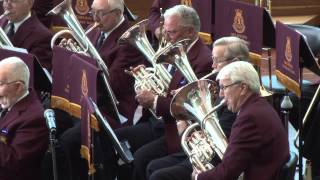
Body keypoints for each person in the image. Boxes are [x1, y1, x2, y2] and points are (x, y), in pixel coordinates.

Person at [112, 5, 212, 180]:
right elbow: (166, 82)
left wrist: (155, 101)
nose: (165, 37)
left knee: (143, 158)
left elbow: (189, 107)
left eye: (171, 32)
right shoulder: (176, 49)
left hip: (179, 129)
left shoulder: (203, 61)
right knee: (116, 139)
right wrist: (145, 74)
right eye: (165, 31)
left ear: (189, 32)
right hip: (160, 121)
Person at [58, 0, 147, 179]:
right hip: (88, 99)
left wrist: (86, 65)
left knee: (69, 140)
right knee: (53, 121)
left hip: (112, 108)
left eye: (101, 13)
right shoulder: (96, 31)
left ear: (117, 13)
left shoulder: (128, 40)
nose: (95, 18)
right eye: (93, 13)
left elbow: (115, 84)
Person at [146, 36, 250, 180]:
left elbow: (223, 137)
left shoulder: (237, 92)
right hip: (207, 152)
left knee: (158, 175)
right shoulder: (226, 85)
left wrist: (195, 131)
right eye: (212, 59)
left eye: (217, 61)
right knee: (153, 166)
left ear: (235, 63)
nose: (213, 66)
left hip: (218, 160)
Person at [193, 61, 289, 180]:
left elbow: (227, 174)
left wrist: (198, 177)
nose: (221, 94)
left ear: (243, 88)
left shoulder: (249, 118)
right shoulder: (259, 106)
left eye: (224, 87)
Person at [0, 57, 49, 180]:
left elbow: (12, 163)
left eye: (0, 84)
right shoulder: (11, 99)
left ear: (18, 87)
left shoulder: (35, 119)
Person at [0, 0, 53, 71]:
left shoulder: (43, 37)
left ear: (30, 3)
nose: (7, 6)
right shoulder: (2, 21)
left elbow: (36, 75)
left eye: (14, 1)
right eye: (5, 0)